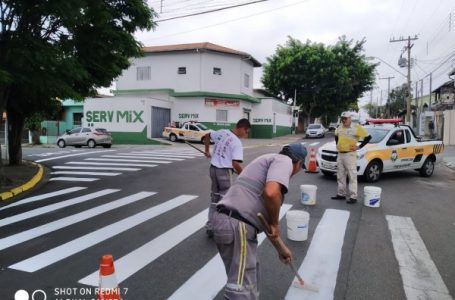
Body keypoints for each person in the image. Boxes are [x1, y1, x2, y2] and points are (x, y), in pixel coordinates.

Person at [212, 143, 307, 299]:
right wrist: (276, 224)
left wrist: (281, 249)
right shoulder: (284, 161)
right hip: (238, 225)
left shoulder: (266, 160)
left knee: (247, 278)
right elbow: (271, 193)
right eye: (300, 167)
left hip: (228, 221)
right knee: (241, 289)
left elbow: (267, 222)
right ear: (298, 163)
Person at [204, 118, 251, 238]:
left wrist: (207, 151)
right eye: (247, 132)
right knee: (225, 201)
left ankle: (210, 226)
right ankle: (221, 229)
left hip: (213, 170)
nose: (247, 134)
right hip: (224, 173)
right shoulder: (236, 142)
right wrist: (245, 175)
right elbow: (235, 164)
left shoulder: (222, 132)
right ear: (242, 128)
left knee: (214, 199)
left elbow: (207, 135)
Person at [331, 111, 371, 204]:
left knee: (352, 176)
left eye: (345, 119)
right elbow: (336, 136)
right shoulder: (339, 126)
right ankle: (341, 194)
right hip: (340, 154)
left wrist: (359, 147)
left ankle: (353, 197)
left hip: (350, 155)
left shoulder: (356, 127)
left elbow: (368, 137)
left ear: (350, 119)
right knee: (340, 175)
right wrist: (337, 144)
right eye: (342, 119)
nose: (343, 120)